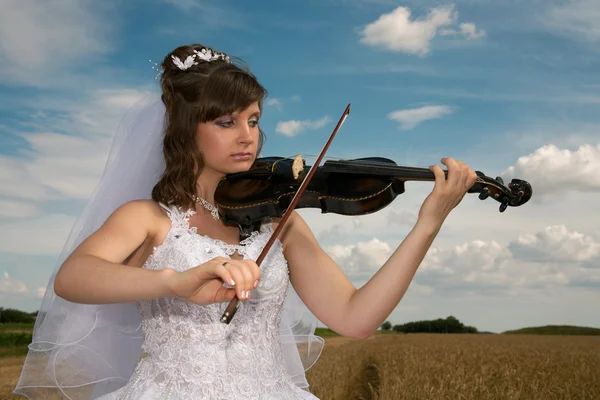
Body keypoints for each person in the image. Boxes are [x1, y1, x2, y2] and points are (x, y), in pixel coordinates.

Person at [13, 43, 477, 400]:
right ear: (184, 128)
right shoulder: (149, 218)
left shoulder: (283, 222)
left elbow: (355, 319)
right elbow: (73, 278)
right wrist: (175, 282)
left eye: (254, 121)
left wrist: (427, 225)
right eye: (226, 122)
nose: (247, 137)